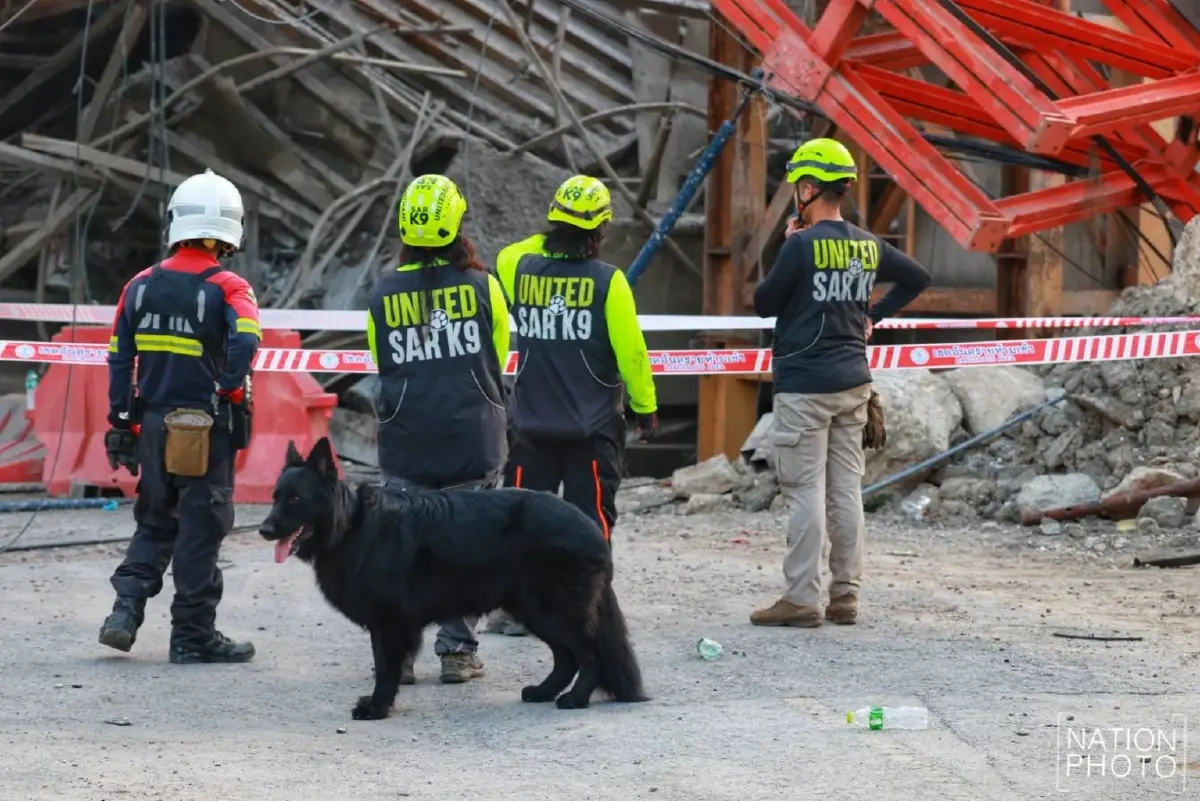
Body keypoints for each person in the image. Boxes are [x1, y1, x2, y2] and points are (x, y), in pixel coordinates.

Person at [749, 138, 930, 629]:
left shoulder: (802, 245)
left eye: (797, 186)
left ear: (808, 188)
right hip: (854, 383)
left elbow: (764, 303)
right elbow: (917, 276)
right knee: (846, 490)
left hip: (805, 386)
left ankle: (801, 599)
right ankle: (845, 596)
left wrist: (788, 246)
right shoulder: (867, 244)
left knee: (805, 489)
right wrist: (874, 314)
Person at [484, 175, 659, 637]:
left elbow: (509, 253)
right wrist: (645, 405)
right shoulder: (610, 282)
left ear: (553, 225)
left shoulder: (521, 269)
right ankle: (591, 607)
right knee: (591, 522)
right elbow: (632, 354)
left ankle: (517, 609)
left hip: (532, 428)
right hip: (593, 431)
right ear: (600, 232)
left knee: (522, 521)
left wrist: (550, 233)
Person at [99, 168, 261, 663]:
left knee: (154, 521)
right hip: (203, 429)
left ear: (176, 223)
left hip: (151, 424)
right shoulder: (231, 286)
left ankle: (124, 612)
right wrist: (229, 388)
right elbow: (247, 340)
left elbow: (118, 355)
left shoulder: (140, 285)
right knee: (201, 526)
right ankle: (192, 636)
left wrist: (122, 416)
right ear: (230, 232)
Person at [365, 173, 510, 684]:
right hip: (472, 439)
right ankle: (457, 652)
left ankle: (398, 657)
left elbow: (381, 359)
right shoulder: (484, 287)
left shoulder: (383, 293)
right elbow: (499, 352)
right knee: (466, 549)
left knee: (402, 551)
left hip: (407, 441)